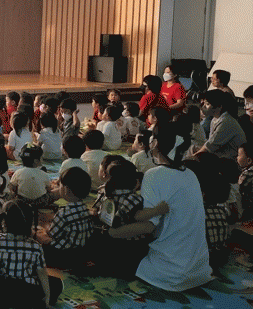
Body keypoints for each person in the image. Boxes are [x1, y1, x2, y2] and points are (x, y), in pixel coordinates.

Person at [110, 123, 212, 291]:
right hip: (198, 269)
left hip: (168, 272)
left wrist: (111, 233)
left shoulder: (154, 175)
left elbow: (148, 227)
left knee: (108, 250)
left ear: (155, 143)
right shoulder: (190, 174)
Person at [0, 200, 63, 309]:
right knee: (56, 283)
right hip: (26, 296)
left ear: (4, 221)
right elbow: (42, 274)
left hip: (0, 295)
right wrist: (47, 298)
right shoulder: (36, 246)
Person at [36, 167, 92, 268]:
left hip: (62, 256)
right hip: (81, 253)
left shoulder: (64, 213)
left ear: (66, 190)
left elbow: (51, 233)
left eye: (60, 185)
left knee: (38, 235)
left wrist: (45, 224)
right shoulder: (85, 210)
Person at [196, 89, 245, 161]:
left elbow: (210, 146)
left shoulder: (226, 121)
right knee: (193, 148)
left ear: (219, 107)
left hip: (231, 160)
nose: (204, 106)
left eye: (207, 104)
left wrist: (191, 158)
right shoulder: (215, 119)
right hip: (221, 155)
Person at [10, 145, 53, 209]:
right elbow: (49, 189)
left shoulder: (18, 172)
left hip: (22, 202)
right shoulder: (43, 174)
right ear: (36, 161)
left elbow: (13, 187)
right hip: (40, 203)